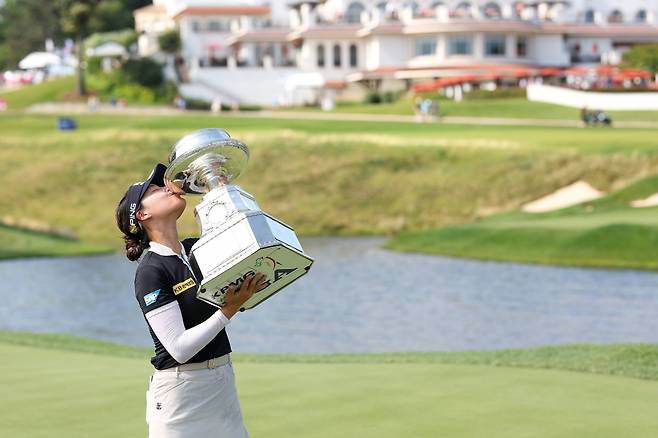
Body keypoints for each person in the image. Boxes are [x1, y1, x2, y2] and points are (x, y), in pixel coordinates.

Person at [115, 163, 267, 437]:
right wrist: (227, 311)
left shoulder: (193, 249)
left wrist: (216, 188)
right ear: (142, 214)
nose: (168, 187)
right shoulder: (151, 271)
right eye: (157, 189)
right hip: (181, 394)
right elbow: (179, 349)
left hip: (221, 383)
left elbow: (242, 236)